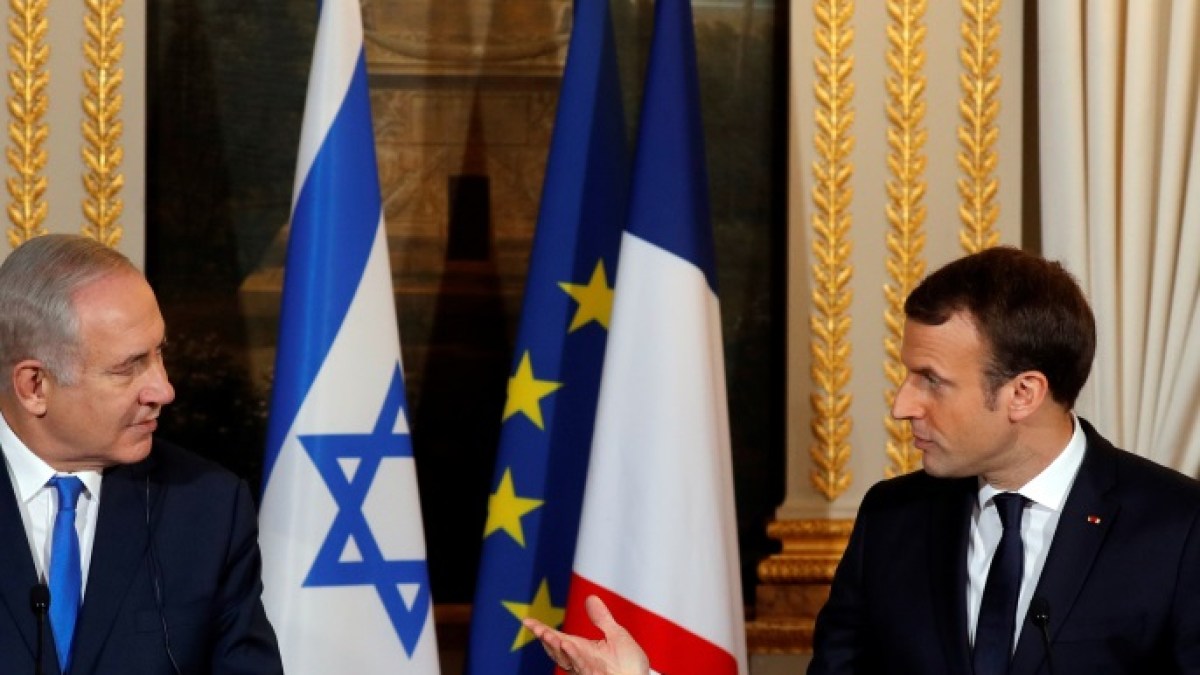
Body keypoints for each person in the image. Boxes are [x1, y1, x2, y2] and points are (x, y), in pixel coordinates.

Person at [524, 246, 1200, 674]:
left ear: (1023, 393)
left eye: (931, 380)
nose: (903, 404)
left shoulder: (1177, 529)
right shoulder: (893, 519)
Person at [0, 235, 282, 673]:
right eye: (128, 367)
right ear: (35, 386)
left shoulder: (208, 509)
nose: (163, 390)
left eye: (159, 353)